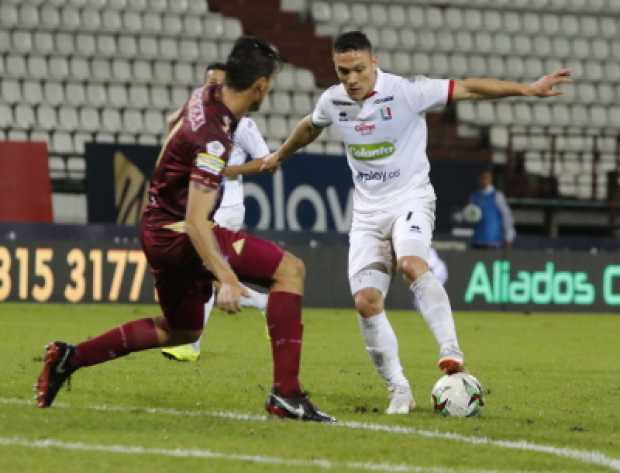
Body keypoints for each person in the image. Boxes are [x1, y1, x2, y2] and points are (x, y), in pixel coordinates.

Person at [261, 30, 570, 414]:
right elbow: (311, 125)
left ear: (374, 62)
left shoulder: (407, 91)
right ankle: (399, 388)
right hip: (367, 214)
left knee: (411, 264)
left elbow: (469, 89)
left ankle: (450, 351)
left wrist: (526, 90)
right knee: (365, 301)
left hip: (411, 198)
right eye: (343, 72)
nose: (352, 79)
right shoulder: (334, 100)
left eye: (358, 69)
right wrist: (280, 154)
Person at [35, 36, 335, 423]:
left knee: (182, 330)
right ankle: (287, 395)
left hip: (156, 225)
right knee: (290, 270)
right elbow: (196, 222)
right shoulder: (212, 140)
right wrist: (225, 277)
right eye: (270, 85)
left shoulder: (205, 94)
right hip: (179, 231)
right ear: (260, 86)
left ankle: (69, 358)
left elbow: (172, 126)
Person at [161, 62, 270, 362]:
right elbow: (172, 129)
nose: (212, 87)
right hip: (202, 206)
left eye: (218, 82)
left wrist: (230, 168)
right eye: (208, 81)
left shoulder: (244, 124)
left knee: (202, 271)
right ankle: (266, 305)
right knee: (205, 274)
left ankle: (189, 344)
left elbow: (267, 161)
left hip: (228, 206)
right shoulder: (200, 117)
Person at [469, 170, 516, 249]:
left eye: (486, 178)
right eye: (482, 178)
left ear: (491, 179)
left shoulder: (497, 195)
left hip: (494, 240)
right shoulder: (474, 196)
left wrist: (509, 235)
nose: (484, 180)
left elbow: (506, 216)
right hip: (477, 240)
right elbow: (470, 216)